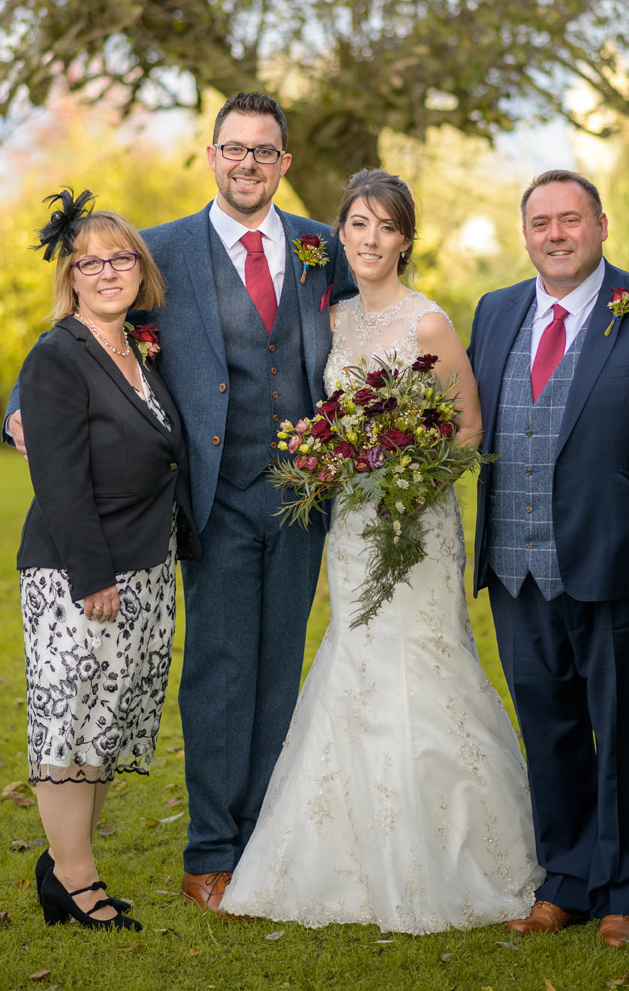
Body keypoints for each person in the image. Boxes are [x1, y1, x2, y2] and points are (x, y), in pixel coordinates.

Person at [6, 91, 354, 914]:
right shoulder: (159, 250)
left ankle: (268, 840)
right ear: (212, 154)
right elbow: (78, 332)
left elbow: (364, 325)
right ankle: (210, 851)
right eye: (234, 148)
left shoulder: (321, 247)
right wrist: (20, 402)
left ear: (284, 163)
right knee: (219, 672)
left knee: (279, 671)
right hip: (211, 499)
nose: (248, 164)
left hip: (302, 498)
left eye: (264, 152)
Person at [221, 169, 542, 932]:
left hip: (415, 520)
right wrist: (335, 460)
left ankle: (453, 849)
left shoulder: (428, 323)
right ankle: (344, 847)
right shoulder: (331, 319)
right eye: (358, 225)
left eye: (386, 228)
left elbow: (467, 428)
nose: (370, 240)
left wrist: (412, 478)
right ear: (341, 234)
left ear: (405, 240)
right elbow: (325, 414)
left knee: (421, 658)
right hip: (353, 526)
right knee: (354, 655)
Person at [468, 170, 629, 949]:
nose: (555, 234)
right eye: (540, 221)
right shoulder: (496, 310)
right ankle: (566, 882)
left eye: (570, 219)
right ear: (525, 233)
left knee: (624, 731)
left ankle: (626, 892)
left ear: (601, 225)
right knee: (548, 732)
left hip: (623, 564)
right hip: (518, 568)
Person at [16, 192, 201, 932]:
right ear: (72, 277)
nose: (107, 272)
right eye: (90, 262)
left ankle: (67, 869)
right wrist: (92, 575)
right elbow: (58, 480)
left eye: (120, 257)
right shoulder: (59, 353)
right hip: (79, 576)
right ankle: (77, 879)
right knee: (69, 722)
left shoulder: (135, 348)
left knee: (105, 724)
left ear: (140, 268)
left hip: (146, 567)